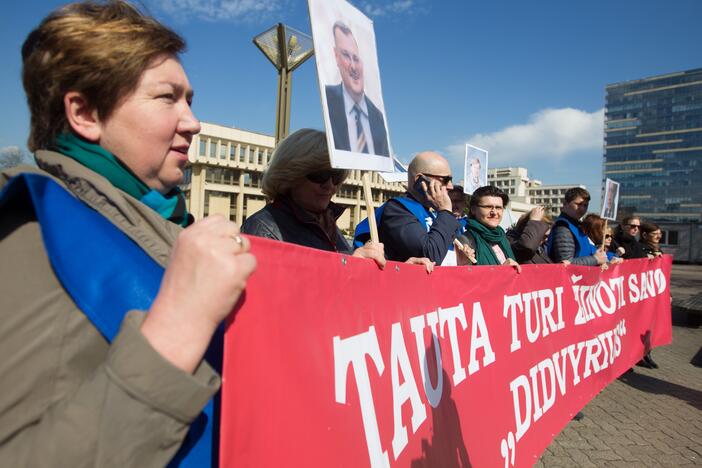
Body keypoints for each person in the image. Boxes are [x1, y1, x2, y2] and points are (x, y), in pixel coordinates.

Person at [0, 2, 256, 465]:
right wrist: (176, 329)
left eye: (190, 100)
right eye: (166, 98)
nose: (193, 122)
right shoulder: (33, 235)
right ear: (86, 113)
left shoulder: (166, 221)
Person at [241, 128, 389, 266]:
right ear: (292, 175)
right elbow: (273, 290)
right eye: (321, 175)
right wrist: (348, 268)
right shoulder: (261, 228)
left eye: (336, 176)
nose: (330, 185)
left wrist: (396, 270)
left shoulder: (326, 223)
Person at [355, 151, 461, 265]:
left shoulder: (433, 214)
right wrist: (445, 211)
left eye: (451, 180)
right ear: (420, 180)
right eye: (445, 180)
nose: (450, 186)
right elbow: (431, 255)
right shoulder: (397, 210)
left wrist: (460, 259)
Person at [325, 21, 389, 157]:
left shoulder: (379, 118)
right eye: (346, 56)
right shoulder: (327, 99)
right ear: (336, 56)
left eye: (356, 58)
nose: (353, 66)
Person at [458, 185, 520, 270]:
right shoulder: (465, 240)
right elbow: (466, 279)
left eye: (498, 208)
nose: (494, 212)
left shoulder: (502, 238)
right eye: (488, 207)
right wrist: (503, 271)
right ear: (473, 210)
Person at [547, 187, 607, 266]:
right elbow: (565, 263)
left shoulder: (577, 225)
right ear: (565, 203)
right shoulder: (563, 227)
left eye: (585, 205)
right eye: (578, 204)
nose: (582, 209)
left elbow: (589, 250)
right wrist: (595, 259)